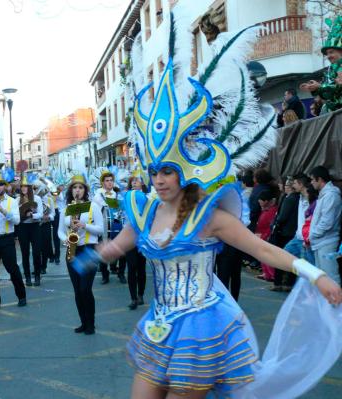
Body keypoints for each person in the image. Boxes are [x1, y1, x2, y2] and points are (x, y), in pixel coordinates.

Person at [73, 17, 342, 397]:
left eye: (167, 171)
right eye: (154, 172)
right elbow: (119, 246)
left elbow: (263, 249)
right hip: (160, 322)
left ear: (185, 172)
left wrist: (317, 275)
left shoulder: (209, 217)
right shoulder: (145, 211)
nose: (159, 180)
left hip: (202, 327)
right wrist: (88, 258)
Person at [58, 175, 103, 335]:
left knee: (85, 289)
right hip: (73, 249)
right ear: (71, 190)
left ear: (85, 190)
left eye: (81, 188)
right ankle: (83, 322)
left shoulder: (93, 207)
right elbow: (60, 231)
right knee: (77, 290)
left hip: (89, 249)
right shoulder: (66, 209)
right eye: (75, 188)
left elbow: (100, 229)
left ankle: (91, 323)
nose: (78, 190)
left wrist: (85, 225)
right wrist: (66, 240)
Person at [0, 173, 27, 311]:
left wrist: (2, 210)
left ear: (5, 186)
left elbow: (17, 220)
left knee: (12, 268)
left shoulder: (12, 201)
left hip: (7, 238)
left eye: (1, 184)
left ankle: (21, 296)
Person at [300, 16, 342, 114]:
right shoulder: (330, 70)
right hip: (334, 114)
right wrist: (315, 89)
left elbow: (338, 88)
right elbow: (328, 95)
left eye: (331, 52)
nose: (328, 56)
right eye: (327, 54)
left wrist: (320, 87)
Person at [309, 165, 342, 285]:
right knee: (322, 277)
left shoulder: (331, 196)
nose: (311, 182)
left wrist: (313, 234)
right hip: (320, 241)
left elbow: (327, 222)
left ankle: (336, 303)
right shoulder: (324, 195)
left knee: (331, 276)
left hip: (327, 242)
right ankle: (324, 303)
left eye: (313, 179)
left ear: (320, 179)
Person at [93, 171, 126, 284]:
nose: (109, 183)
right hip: (104, 228)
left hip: (117, 226)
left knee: (121, 251)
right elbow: (95, 213)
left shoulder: (118, 195)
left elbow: (123, 211)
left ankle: (121, 273)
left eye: (111, 180)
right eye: (107, 181)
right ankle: (105, 275)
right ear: (102, 183)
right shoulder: (98, 196)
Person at [270, 178, 300, 291]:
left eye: (287, 184)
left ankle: (278, 283)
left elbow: (282, 216)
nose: (284, 186)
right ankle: (289, 283)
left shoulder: (289, 199)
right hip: (293, 232)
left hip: (285, 232)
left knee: (280, 257)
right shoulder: (298, 198)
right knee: (293, 259)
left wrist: (275, 223)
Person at [17, 175, 44, 286]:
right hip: (23, 228)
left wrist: (32, 215)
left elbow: (41, 214)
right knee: (25, 253)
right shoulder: (17, 200)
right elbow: (16, 216)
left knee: (37, 252)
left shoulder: (37, 199)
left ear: (30, 187)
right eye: (22, 186)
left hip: (34, 227)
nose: (24, 188)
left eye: (26, 186)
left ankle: (37, 276)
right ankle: (27, 277)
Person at [125, 173, 147, 310]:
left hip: (142, 237)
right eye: (132, 181)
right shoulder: (126, 196)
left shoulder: (148, 197)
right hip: (129, 236)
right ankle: (133, 297)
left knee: (141, 268)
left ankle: (140, 295)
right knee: (131, 267)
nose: (134, 182)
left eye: (137, 180)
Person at [255, 189, 278, 282]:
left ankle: (271, 274)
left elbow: (270, 226)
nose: (260, 203)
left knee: (267, 255)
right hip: (261, 234)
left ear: (266, 201)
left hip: (266, 235)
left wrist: (265, 236)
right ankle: (266, 273)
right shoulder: (266, 209)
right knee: (262, 255)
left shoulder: (272, 210)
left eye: (261, 202)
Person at [39, 185, 55, 274]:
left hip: (46, 224)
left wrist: (48, 217)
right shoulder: (34, 199)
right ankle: (38, 267)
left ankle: (43, 267)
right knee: (37, 248)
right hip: (36, 225)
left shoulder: (49, 199)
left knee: (45, 246)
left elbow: (53, 213)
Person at [52, 184, 66, 264]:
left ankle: (57, 255)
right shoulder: (56, 192)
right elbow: (53, 194)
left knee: (58, 234)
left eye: (62, 185)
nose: (62, 186)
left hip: (63, 214)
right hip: (55, 213)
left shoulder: (65, 192)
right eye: (60, 185)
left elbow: (62, 198)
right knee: (55, 235)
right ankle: (54, 255)